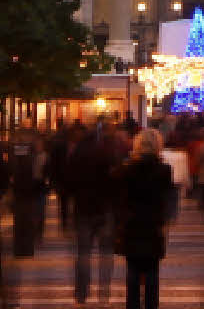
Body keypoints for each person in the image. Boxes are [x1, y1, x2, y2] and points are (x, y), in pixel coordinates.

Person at [111, 130, 178, 309]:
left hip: (131, 223)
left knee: (132, 269)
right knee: (152, 270)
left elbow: (116, 195)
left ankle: (132, 305)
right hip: (153, 224)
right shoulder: (164, 170)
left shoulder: (126, 169)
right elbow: (166, 197)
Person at [60, 116, 124, 302]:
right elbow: (115, 181)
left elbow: (68, 182)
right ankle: (104, 291)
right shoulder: (106, 154)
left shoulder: (77, 156)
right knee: (105, 252)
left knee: (83, 253)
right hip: (104, 208)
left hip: (82, 208)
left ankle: (81, 292)